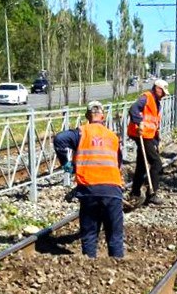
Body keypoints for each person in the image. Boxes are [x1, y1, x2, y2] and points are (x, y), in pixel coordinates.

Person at [53, 101, 125, 259]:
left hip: (88, 190)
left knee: (90, 231)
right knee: (114, 233)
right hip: (112, 189)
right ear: (103, 117)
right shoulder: (113, 137)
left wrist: (65, 162)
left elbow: (59, 139)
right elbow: (118, 162)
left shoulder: (81, 132)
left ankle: (89, 262)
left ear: (87, 116)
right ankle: (118, 263)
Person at [127, 78, 169, 207]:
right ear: (157, 88)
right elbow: (133, 109)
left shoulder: (157, 102)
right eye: (163, 92)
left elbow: (154, 123)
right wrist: (139, 122)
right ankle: (152, 193)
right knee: (156, 163)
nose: (163, 95)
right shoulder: (146, 98)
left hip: (148, 136)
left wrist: (157, 141)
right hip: (142, 135)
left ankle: (135, 192)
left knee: (141, 165)